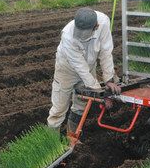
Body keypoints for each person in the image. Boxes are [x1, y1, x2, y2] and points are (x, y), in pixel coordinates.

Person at [47, 7, 121, 136]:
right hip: (67, 69)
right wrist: (99, 92)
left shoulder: (103, 22)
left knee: (81, 104)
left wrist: (108, 80)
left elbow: (106, 52)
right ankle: (51, 142)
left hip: (89, 66)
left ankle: (72, 136)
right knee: (59, 108)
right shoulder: (68, 35)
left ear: (95, 26)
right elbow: (80, 67)